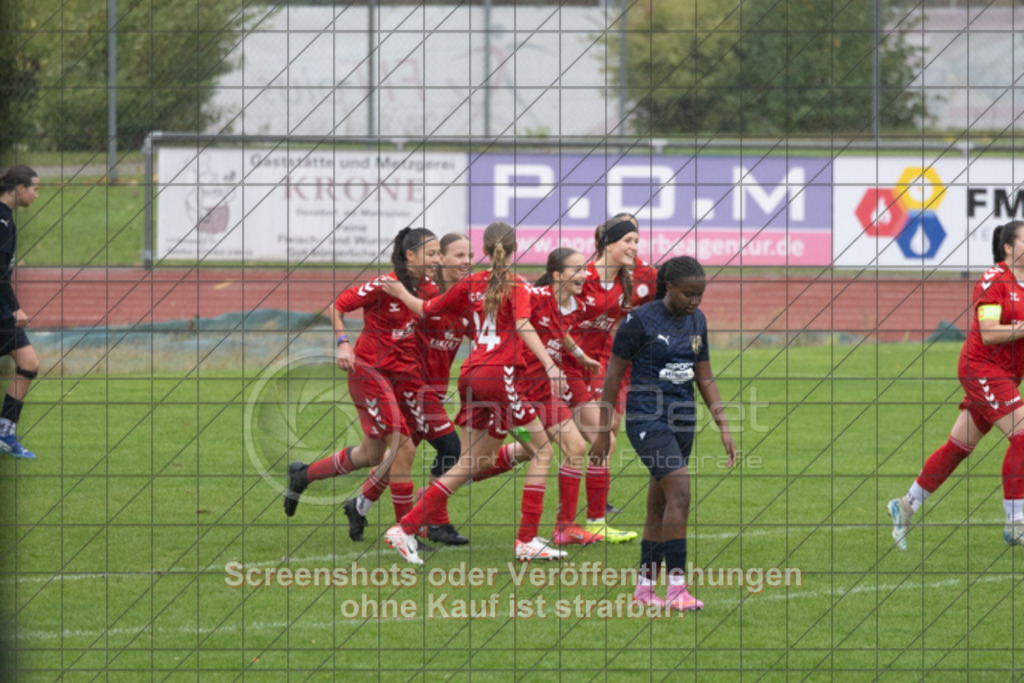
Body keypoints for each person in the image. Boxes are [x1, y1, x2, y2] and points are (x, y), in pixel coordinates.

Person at [382, 221, 567, 565]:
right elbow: (525, 324)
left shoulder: (471, 282)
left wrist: (401, 294)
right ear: (513, 250)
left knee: (469, 462)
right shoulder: (517, 285)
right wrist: (551, 366)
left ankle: (405, 527)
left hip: (470, 377)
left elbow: (428, 309)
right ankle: (526, 540)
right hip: (501, 378)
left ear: (483, 249)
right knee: (542, 452)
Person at [285, 228, 466, 547]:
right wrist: (343, 345)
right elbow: (336, 306)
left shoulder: (425, 288)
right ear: (410, 256)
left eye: (440, 253)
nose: (437, 259)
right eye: (432, 253)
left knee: (372, 454)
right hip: (371, 373)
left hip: (405, 377)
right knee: (405, 447)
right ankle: (405, 532)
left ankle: (304, 475)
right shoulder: (384, 285)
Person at [590, 256, 736, 611]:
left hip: (683, 420)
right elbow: (612, 377)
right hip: (647, 418)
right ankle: (676, 589)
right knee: (681, 495)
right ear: (668, 287)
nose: (695, 302)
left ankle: (644, 588)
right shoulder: (638, 321)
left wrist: (723, 424)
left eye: (700, 295)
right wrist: (601, 431)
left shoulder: (696, 320)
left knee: (660, 504)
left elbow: (704, 375)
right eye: (688, 294)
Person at [889, 221, 1024, 549]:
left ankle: (906, 504)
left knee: (959, 448)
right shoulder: (994, 280)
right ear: (1009, 247)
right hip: (982, 368)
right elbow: (990, 332)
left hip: (1006, 375)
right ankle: (1016, 522)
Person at [566, 214, 657, 542]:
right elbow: (542, 309)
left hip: (593, 368)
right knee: (596, 439)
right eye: (628, 241)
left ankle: (588, 521)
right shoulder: (581, 275)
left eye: (637, 241)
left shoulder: (624, 284)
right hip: (563, 367)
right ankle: (583, 523)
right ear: (607, 243)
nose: (635, 247)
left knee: (597, 439)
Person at [0, 166, 42, 459]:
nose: (36, 194)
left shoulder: (6, 218)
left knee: (28, 363)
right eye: (34, 188)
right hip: (2, 308)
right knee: (28, 362)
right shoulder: (1, 221)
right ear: (18, 188)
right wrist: (16, 307)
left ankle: (4, 434)